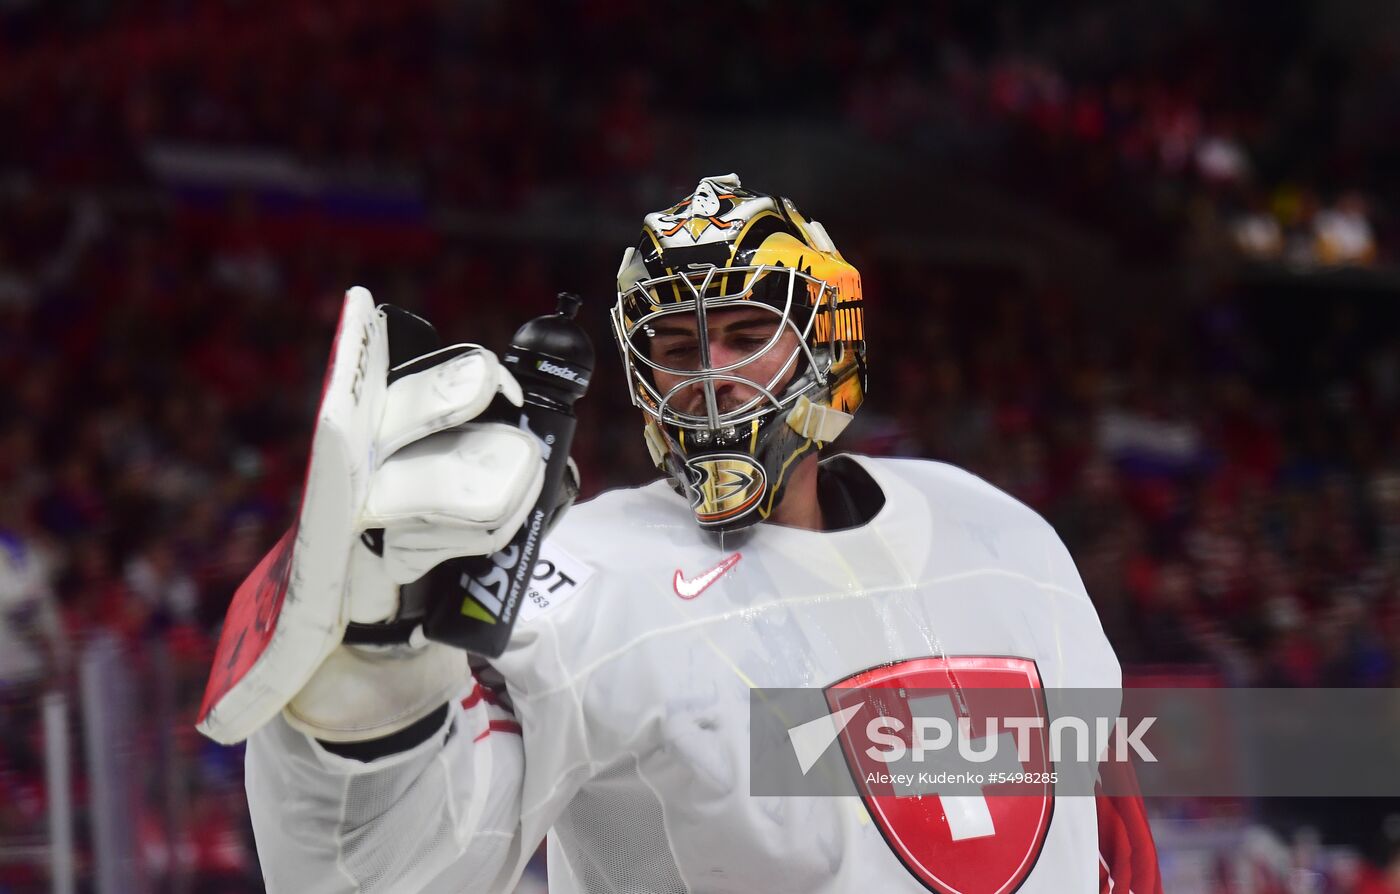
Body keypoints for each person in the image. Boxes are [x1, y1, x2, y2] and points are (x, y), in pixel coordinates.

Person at [232, 175, 1159, 892]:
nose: (709, 380)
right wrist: (377, 689)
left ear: (827, 345)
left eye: (745, 333)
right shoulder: (584, 578)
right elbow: (382, 871)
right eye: (677, 347)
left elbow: (1102, 839)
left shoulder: (1005, 538)